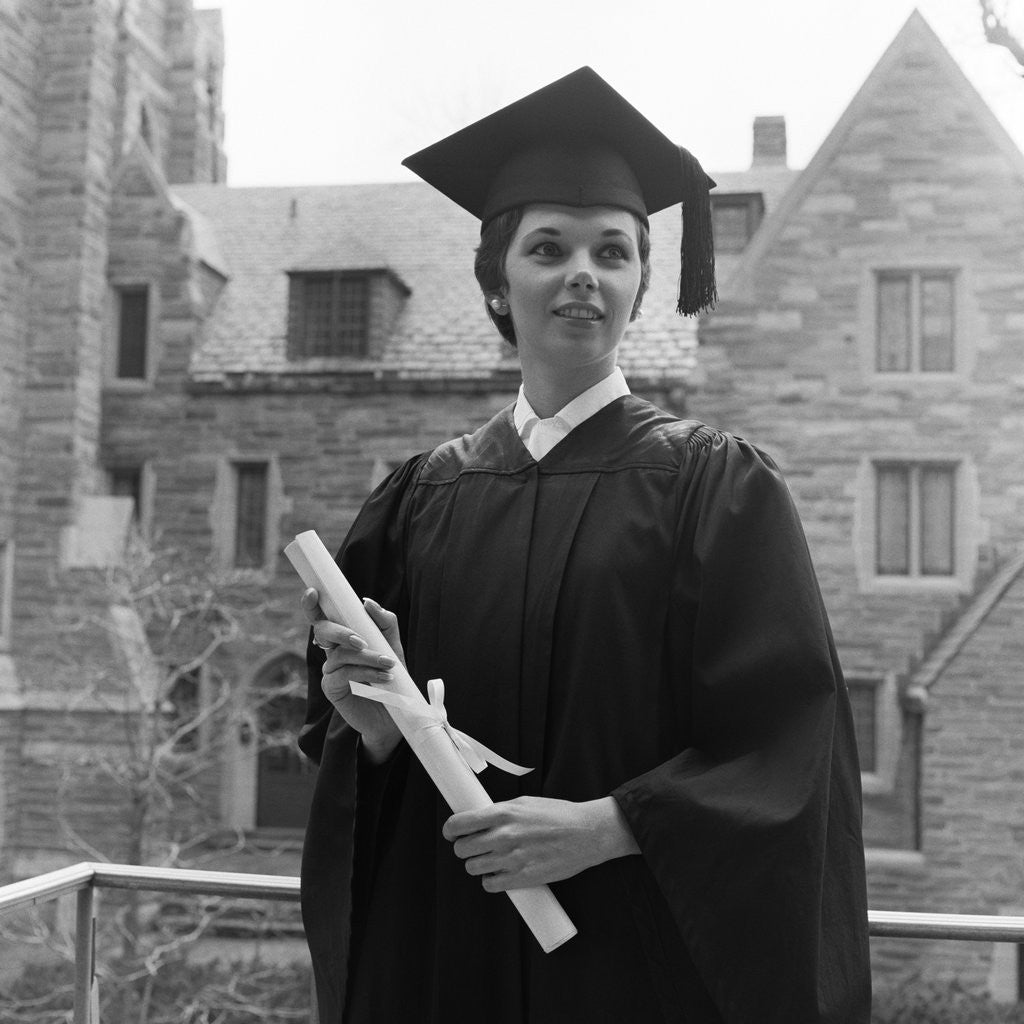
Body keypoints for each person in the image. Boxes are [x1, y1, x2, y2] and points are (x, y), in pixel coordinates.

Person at [297, 67, 871, 1024]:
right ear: (497, 282)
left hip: (635, 960)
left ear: (641, 283)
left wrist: (609, 825)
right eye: (547, 248)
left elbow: (788, 743)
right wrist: (376, 728)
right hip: (453, 949)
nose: (582, 273)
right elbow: (358, 772)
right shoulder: (422, 500)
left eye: (613, 251)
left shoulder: (714, 491)